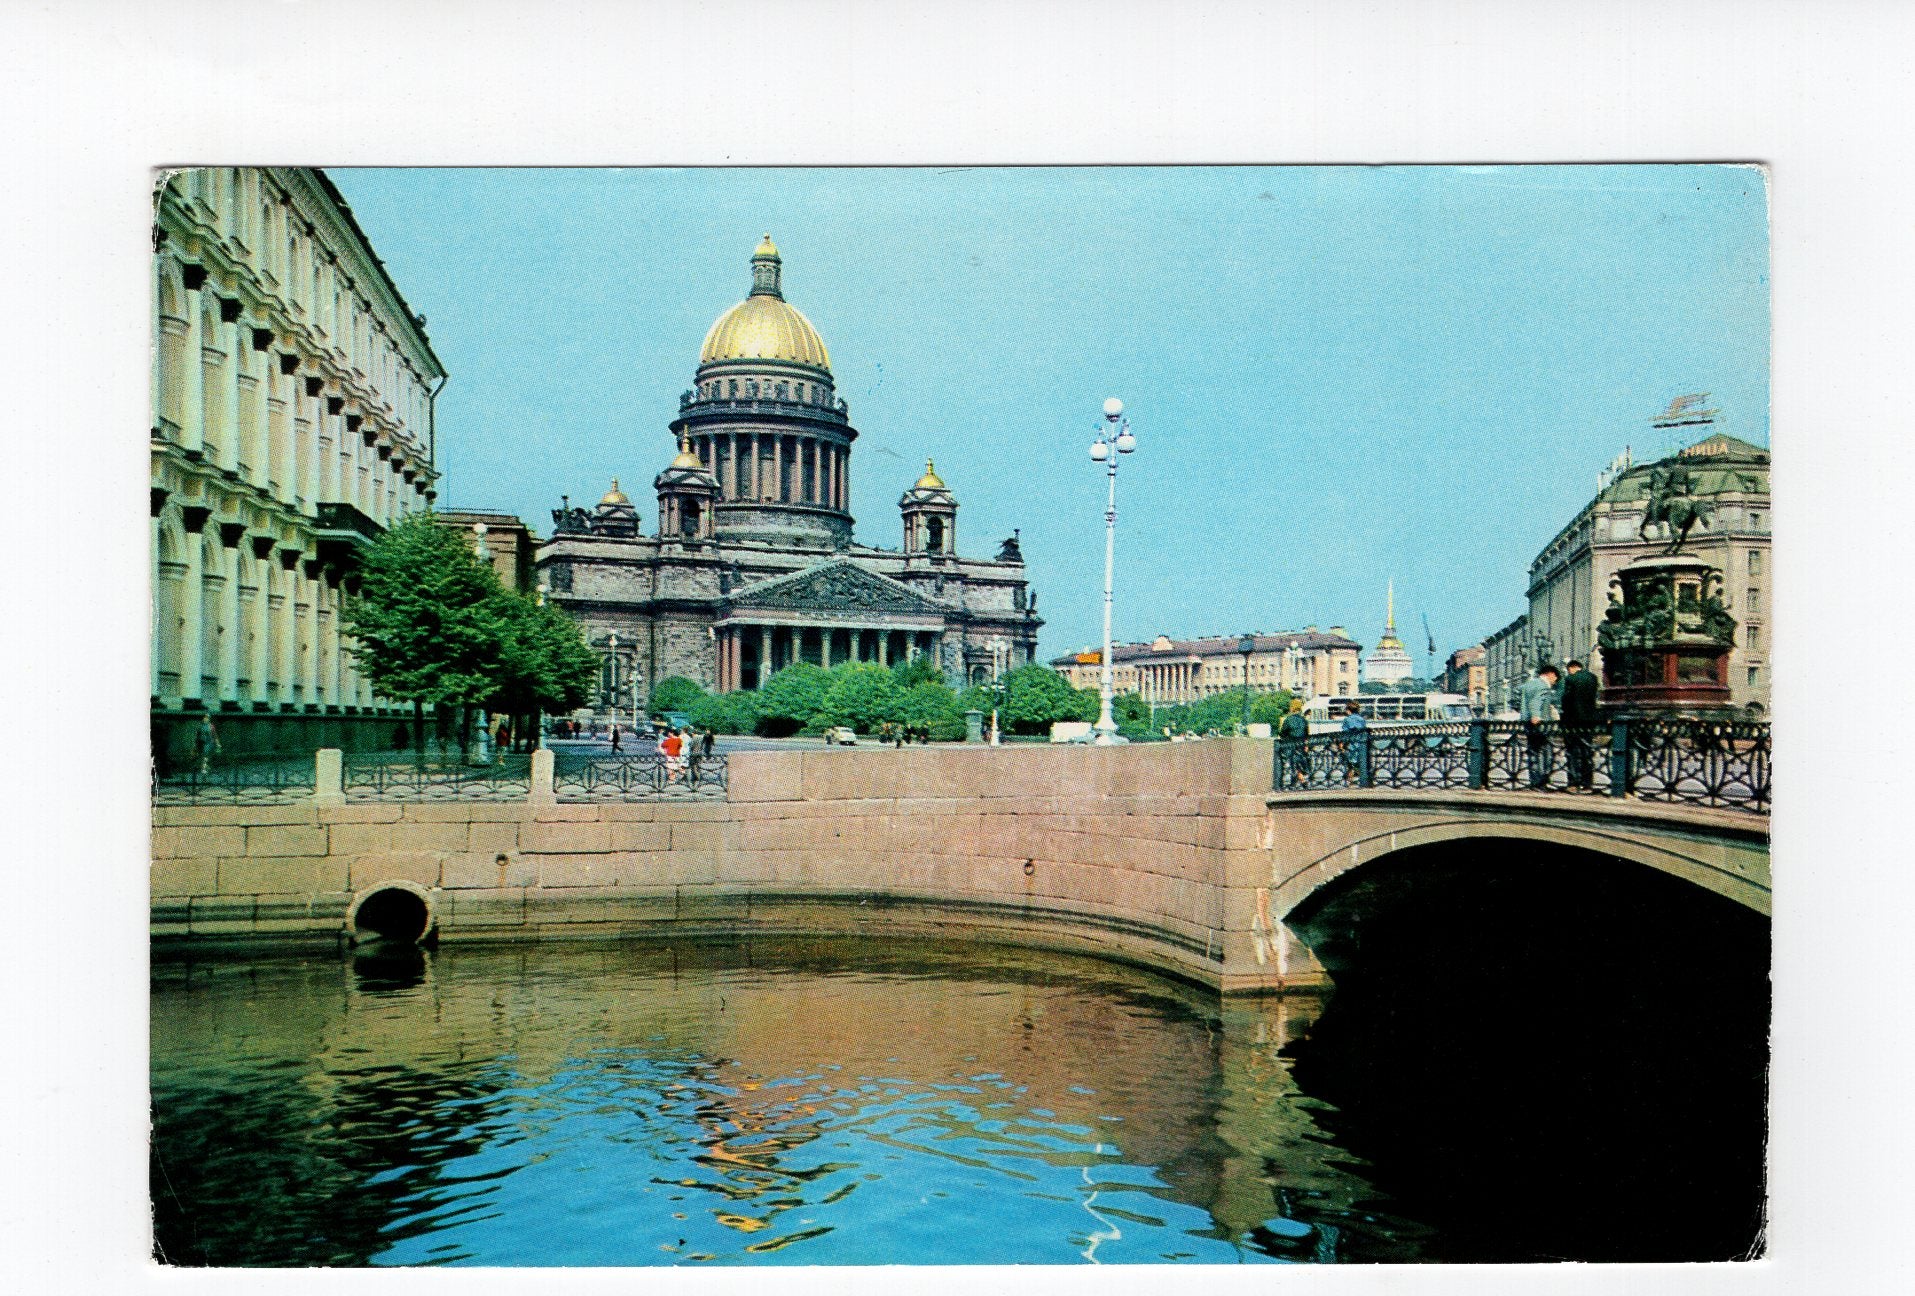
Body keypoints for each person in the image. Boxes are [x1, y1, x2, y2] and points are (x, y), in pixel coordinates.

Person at [1558, 658, 1601, 789]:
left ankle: (1574, 781)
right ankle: (1587, 782)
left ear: (1571, 668)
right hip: (1589, 721)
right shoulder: (1593, 678)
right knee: (1587, 750)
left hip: (1573, 721)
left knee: (1572, 751)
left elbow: (1566, 699)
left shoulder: (1570, 679)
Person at [1520, 664, 1561, 789]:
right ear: (1551, 675)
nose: (1554, 683)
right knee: (1545, 753)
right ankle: (1541, 782)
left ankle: (1534, 780)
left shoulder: (1528, 684)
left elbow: (1524, 701)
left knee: (1533, 752)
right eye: (1555, 679)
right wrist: (1536, 715)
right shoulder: (1544, 686)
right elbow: (1536, 702)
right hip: (1540, 726)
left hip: (1527, 724)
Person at [1277, 697, 1311, 786]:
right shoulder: (1304, 720)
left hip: (1291, 744)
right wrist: (1306, 745)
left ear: (1292, 708)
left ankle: (1297, 780)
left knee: (1293, 762)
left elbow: (1283, 733)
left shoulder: (1288, 720)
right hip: (1302, 744)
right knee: (1299, 762)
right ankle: (1300, 780)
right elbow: (1307, 734)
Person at [1339, 702, 1369, 785]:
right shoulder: (1361, 719)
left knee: (1350, 763)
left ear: (1349, 710)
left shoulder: (1347, 719)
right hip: (1362, 743)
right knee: (1359, 762)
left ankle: (1350, 781)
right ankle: (1364, 780)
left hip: (1351, 744)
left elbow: (1345, 733)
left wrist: (1342, 744)